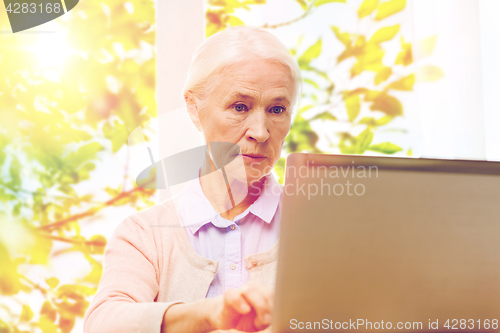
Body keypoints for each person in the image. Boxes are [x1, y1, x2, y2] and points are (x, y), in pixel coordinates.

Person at [83, 25, 302, 333]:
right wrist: (208, 314)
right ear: (194, 109)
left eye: (277, 109)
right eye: (240, 107)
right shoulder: (145, 235)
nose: (261, 131)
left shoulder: (321, 225)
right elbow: (104, 323)